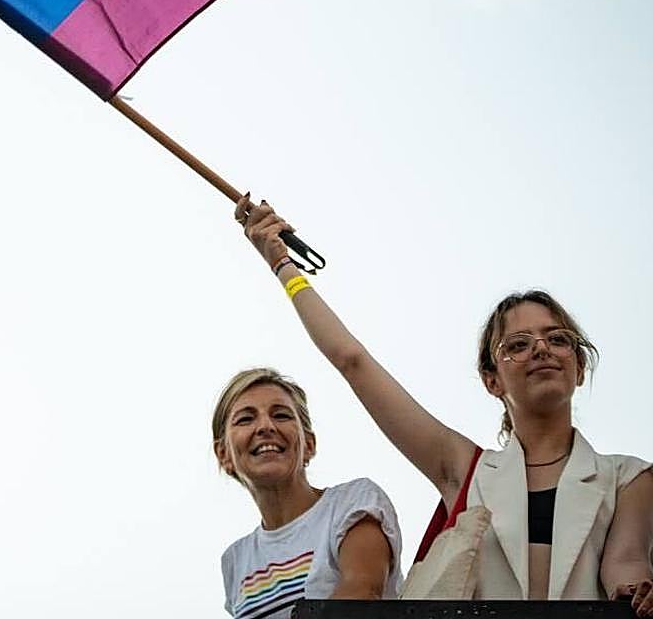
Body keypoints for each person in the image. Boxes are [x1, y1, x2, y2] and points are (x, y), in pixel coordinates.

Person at [235, 197, 653, 613]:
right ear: (492, 380)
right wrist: (282, 266)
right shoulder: (464, 473)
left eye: (558, 339)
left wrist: (638, 592)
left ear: (578, 367)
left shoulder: (627, 478)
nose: (541, 350)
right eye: (518, 345)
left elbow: (626, 562)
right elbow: (353, 362)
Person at [213, 367, 403, 617]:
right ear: (224, 455)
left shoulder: (354, 503)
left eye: (281, 415)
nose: (265, 426)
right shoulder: (236, 560)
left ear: (309, 445)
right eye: (246, 419)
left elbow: (361, 595)